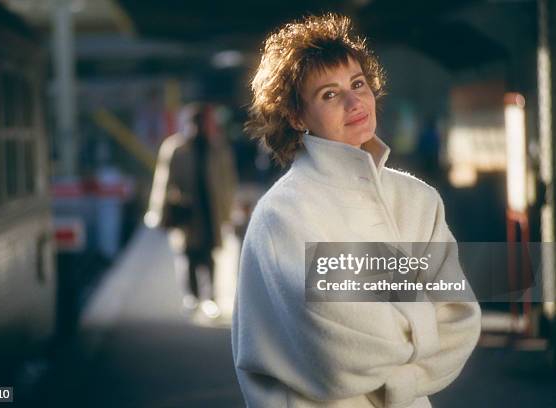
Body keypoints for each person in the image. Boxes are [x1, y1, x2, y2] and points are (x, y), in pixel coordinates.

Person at [232, 13, 481, 407]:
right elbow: (335, 353)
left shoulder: (419, 200)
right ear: (297, 116)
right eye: (329, 94)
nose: (354, 102)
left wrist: (394, 354)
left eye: (358, 84)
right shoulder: (283, 215)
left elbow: (459, 318)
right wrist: (418, 330)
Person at [146, 102, 237, 319]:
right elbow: (163, 183)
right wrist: (160, 213)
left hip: (211, 211)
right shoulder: (176, 148)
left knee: (210, 256)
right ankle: (192, 297)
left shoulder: (217, 148)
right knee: (188, 256)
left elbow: (228, 181)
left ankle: (211, 298)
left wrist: (229, 212)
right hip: (187, 213)